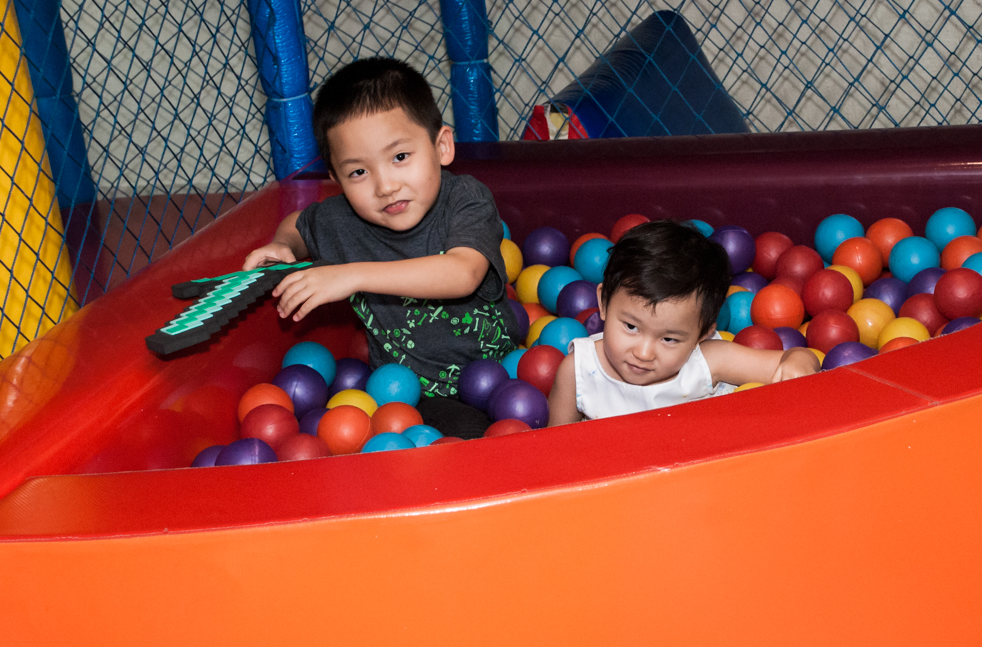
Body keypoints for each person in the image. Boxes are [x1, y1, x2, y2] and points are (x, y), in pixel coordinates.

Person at [243, 57, 522, 439]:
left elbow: (463, 273)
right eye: (358, 172)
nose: (385, 185)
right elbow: (299, 225)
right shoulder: (341, 221)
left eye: (400, 157)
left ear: (441, 146)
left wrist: (350, 275)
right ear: (336, 179)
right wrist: (282, 244)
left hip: (505, 372)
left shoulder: (466, 199)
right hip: (410, 395)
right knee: (461, 447)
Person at [547, 220, 820, 425]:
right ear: (604, 302)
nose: (643, 353)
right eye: (631, 327)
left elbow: (792, 360)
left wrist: (800, 364)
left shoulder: (710, 360)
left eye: (669, 339)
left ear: (703, 333)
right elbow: (554, 449)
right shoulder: (578, 371)